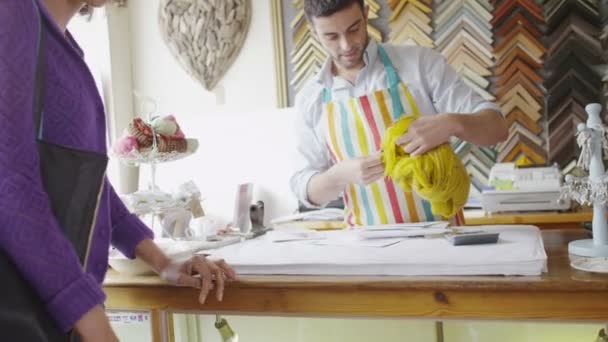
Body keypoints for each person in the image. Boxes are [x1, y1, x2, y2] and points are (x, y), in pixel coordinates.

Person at [0, 1, 236, 341]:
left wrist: (163, 261)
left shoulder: (61, 43)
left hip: (52, 317)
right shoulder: (13, 11)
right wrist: (96, 326)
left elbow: (92, 187)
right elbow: (9, 184)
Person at [290, 0, 509, 227]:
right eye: (332, 37)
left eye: (353, 29)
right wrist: (338, 176)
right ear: (314, 32)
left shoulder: (420, 64)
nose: (346, 45)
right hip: (368, 252)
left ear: (365, 15)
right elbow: (303, 188)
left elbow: (498, 128)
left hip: (441, 242)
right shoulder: (311, 99)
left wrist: (452, 123)